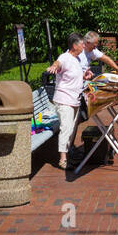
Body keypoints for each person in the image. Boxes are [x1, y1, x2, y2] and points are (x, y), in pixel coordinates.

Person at [45, 33, 88, 170]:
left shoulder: (77, 59)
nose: (84, 46)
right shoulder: (64, 57)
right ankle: (63, 159)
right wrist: (54, 66)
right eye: (82, 44)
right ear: (75, 45)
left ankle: (68, 155)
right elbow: (58, 63)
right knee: (66, 128)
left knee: (71, 129)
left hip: (74, 99)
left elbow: (74, 76)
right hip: (64, 100)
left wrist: (84, 75)